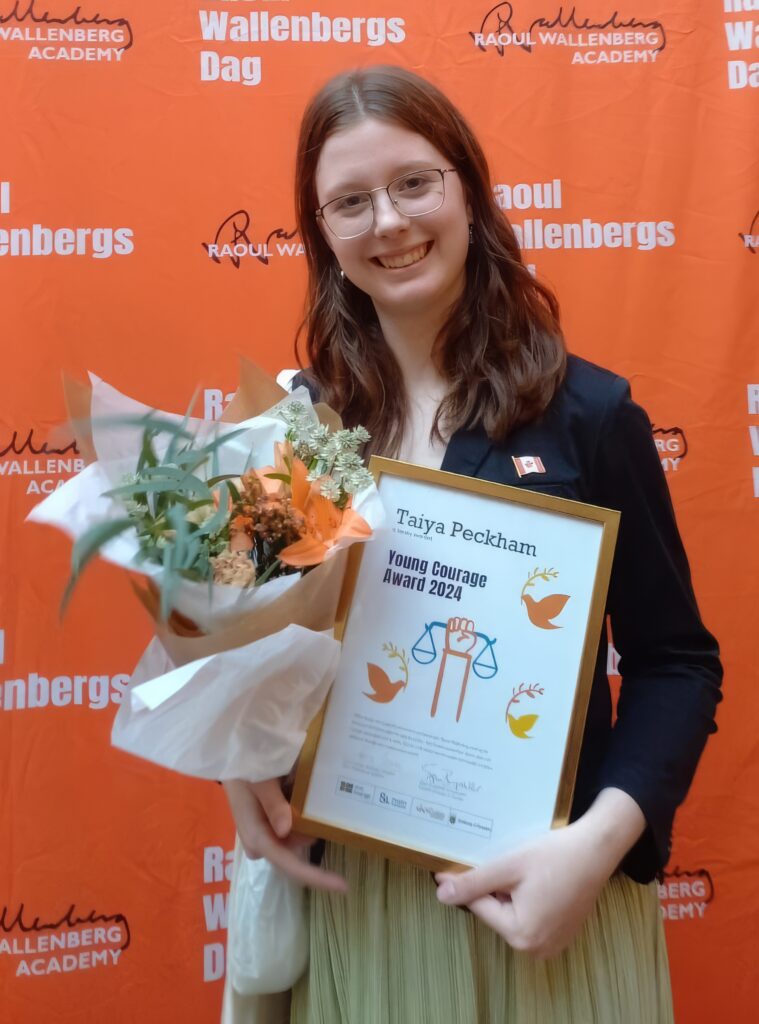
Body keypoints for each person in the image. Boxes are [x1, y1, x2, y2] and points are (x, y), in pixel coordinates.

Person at [223, 65, 722, 1023]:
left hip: (550, 900)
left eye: (415, 183)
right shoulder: (299, 430)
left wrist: (596, 847)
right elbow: (239, 647)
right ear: (322, 232)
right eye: (350, 202)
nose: (389, 222)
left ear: (467, 189)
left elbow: (675, 664)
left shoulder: (590, 413)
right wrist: (239, 764)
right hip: (361, 904)